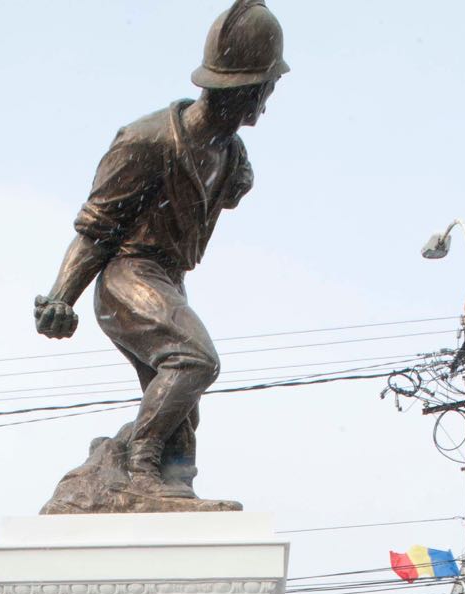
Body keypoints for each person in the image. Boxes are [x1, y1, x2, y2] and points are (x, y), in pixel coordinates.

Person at [34, 1, 288, 507]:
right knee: (194, 361)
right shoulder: (146, 140)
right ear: (247, 88)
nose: (267, 103)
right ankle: (142, 467)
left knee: (181, 402)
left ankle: (172, 484)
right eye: (267, 89)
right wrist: (61, 297)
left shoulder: (232, 155)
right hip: (127, 275)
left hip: (168, 279)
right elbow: (97, 228)